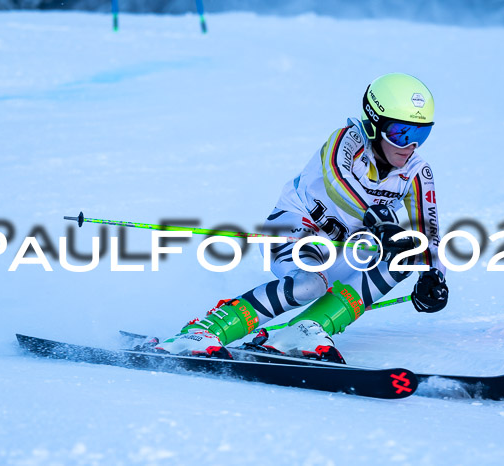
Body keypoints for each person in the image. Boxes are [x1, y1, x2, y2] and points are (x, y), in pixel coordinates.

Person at [144, 73, 449, 362]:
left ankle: (302, 332)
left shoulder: (417, 172)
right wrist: (378, 221)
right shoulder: (348, 141)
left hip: (343, 248)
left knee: (407, 255)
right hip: (295, 226)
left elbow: (430, 232)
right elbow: (336, 182)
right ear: (374, 124)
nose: (410, 145)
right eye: (401, 132)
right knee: (309, 284)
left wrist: (434, 276)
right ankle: (201, 332)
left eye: (422, 133)